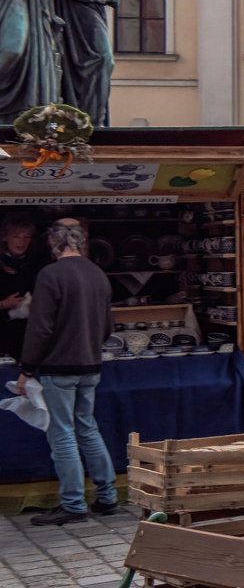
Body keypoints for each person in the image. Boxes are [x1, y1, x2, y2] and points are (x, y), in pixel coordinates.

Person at [18, 218, 119, 525]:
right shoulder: (98, 273)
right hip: (90, 364)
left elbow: (40, 328)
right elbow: (107, 328)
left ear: (53, 243)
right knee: (87, 428)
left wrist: (26, 369)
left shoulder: (50, 275)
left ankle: (74, 505)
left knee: (62, 435)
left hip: (58, 367)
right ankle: (108, 497)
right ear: (80, 242)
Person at [0, 213, 39, 359]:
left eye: (26, 237)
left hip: (29, 340)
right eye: (16, 237)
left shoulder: (36, 264)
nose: (21, 242)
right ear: (4, 237)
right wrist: (4, 305)